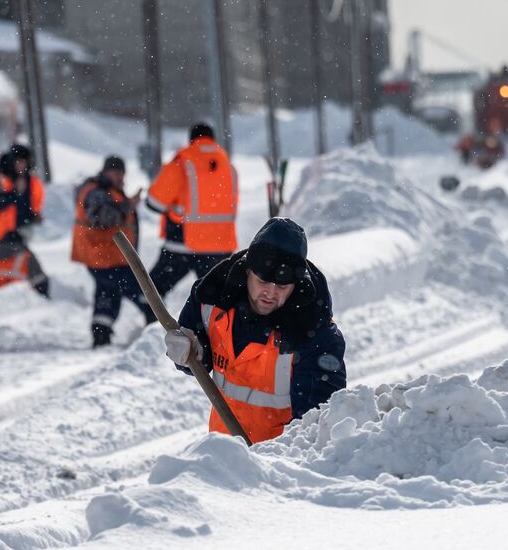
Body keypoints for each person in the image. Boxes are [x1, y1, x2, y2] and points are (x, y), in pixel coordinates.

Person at [164, 218, 346, 444]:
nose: (270, 293)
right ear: (247, 270)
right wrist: (191, 353)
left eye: (282, 286)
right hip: (222, 450)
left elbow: (316, 425)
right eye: (263, 281)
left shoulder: (312, 330)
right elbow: (197, 355)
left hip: (280, 459)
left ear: (297, 285)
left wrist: (274, 460)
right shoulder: (212, 296)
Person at [145, 122, 238, 298]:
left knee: (151, 293)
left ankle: (153, 316)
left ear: (192, 139)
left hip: (182, 242)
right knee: (218, 299)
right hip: (220, 247)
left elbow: (154, 203)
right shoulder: (228, 165)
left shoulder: (183, 160)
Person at [71, 155, 154, 346]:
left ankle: (101, 334)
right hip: (105, 257)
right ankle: (156, 325)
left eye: (122, 174)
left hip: (106, 257)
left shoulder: (103, 190)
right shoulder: (97, 192)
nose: (121, 178)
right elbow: (104, 218)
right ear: (106, 172)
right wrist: (128, 205)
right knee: (141, 290)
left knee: (108, 294)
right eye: (117, 173)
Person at [0, 143, 49, 296]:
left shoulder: (31, 182)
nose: (21, 165)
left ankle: (11, 291)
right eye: (18, 161)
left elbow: (30, 207)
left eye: (24, 161)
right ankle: (38, 293)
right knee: (28, 265)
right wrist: (14, 193)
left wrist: (34, 217)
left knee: (15, 265)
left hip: (21, 235)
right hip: (2, 236)